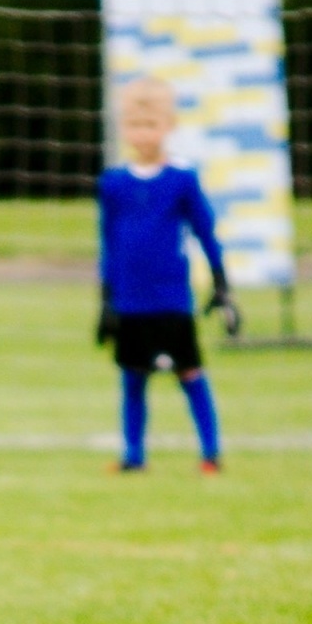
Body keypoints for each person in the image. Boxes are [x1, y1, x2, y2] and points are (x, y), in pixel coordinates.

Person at [96, 75, 238, 474]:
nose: (143, 133)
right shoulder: (113, 184)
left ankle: (210, 453)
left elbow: (206, 232)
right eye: (135, 125)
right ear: (124, 129)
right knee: (132, 377)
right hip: (130, 299)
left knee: (190, 372)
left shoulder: (181, 180)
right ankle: (133, 456)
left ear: (168, 126)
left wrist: (221, 283)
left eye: (151, 124)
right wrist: (106, 299)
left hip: (172, 298)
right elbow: (108, 243)